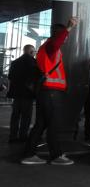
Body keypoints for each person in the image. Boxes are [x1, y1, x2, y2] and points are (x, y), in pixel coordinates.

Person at [21, 17, 78, 165]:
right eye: (63, 36)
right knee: (53, 123)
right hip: (51, 91)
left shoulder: (46, 48)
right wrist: (69, 27)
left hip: (46, 91)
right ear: (58, 34)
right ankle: (56, 156)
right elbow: (58, 41)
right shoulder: (52, 46)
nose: (65, 39)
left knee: (41, 124)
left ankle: (29, 154)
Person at [8, 45, 37, 143]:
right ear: (31, 52)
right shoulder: (33, 62)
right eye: (34, 52)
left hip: (16, 94)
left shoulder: (15, 62)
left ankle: (12, 137)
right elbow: (35, 78)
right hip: (27, 94)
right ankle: (23, 137)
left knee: (15, 116)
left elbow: (10, 77)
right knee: (26, 117)